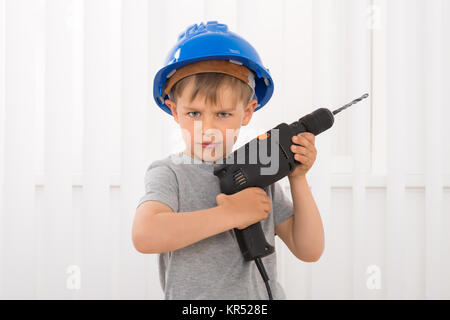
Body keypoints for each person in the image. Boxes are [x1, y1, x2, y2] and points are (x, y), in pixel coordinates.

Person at [132, 21, 324, 300]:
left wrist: (297, 177)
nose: (207, 127)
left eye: (222, 114)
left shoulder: (259, 170)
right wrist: (230, 215)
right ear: (174, 111)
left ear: (247, 113)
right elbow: (145, 235)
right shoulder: (169, 173)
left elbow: (309, 249)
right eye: (194, 113)